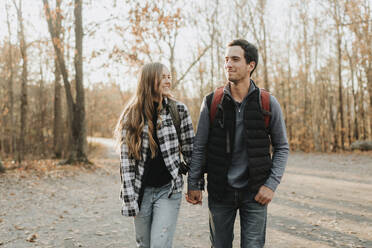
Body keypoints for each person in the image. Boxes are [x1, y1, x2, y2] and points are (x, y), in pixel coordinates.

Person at [187, 39, 289, 248]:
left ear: (250, 65)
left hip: (255, 192)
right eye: (226, 60)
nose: (228, 65)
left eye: (235, 59)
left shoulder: (268, 102)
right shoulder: (212, 102)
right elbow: (200, 145)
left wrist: (271, 185)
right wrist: (194, 183)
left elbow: (282, 147)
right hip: (220, 191)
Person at [115, 62, 194, 248]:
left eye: (169, 76)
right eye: (163, 77)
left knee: (160, 244)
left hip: (168, 190)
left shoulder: (178, 110)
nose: (168, 80)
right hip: (141, 192)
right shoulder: (131, 115)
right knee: (144, 244)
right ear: (149, 81)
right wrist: (130, 201)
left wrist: (195, 183)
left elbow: (191, 150)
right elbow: (126, 164)